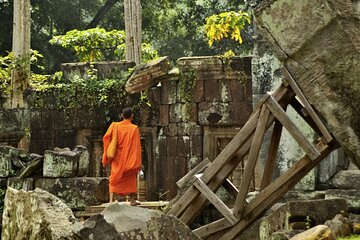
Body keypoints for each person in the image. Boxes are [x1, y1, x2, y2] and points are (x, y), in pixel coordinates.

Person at [102, 107, 142, 205]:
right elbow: (136, 146)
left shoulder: (115, 126)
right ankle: (132, 200)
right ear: (132, 116)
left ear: (122, 116)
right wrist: (137, 161)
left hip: (117, 157)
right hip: (129, 158)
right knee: (131, 177)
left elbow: (106, 137)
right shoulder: (134, 128)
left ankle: (111, 200)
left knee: (114, 177)